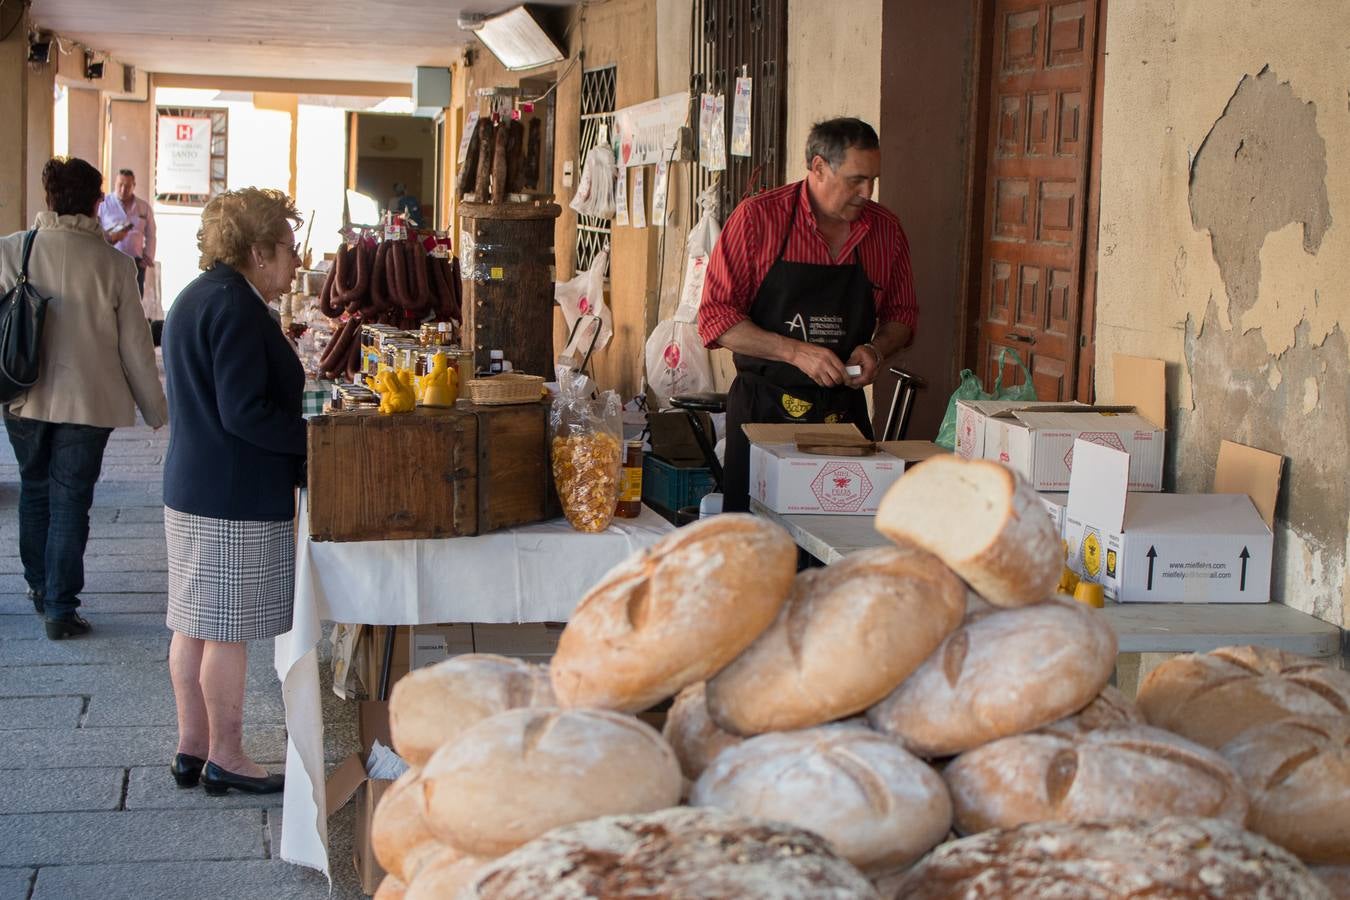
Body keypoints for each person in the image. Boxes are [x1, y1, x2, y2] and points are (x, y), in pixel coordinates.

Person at [161, 187, 306, 795]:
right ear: (258, 251)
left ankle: (191, 749)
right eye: (288, 250)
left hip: (196, 482)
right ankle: (226, 754)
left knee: (192, 624)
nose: (295, 263)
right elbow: (245, 411)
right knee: (225, 628)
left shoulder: (199, 296)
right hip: (231, 493)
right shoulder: (238, 308)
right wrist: (310, 440)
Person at [697, 117, 918, 512]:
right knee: (757, 545)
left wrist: (876, 350)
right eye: (856, 180)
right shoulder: (757, 220)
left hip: (842, 416)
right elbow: (716, 317)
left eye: (873, 180)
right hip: (763, 412)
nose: (867, 192)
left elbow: (903, 315)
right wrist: (796, 352)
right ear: (818, 167)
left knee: (839, 538)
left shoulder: (886, 231)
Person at [0, 157, 168, 639]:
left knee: (34, 490)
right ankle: (60, 606)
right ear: (97, 203)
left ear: (48, 198)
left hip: (24, 397)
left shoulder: (14, 251)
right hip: (88, 405)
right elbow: (136, 346)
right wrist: (155, 409)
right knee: (71, 501)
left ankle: (38, 588)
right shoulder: (115, 266)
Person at [98, 168, 157, 297]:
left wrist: (148, 257)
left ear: (134, 186)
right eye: (120, 185)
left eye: (127, 186)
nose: (123, 190)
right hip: (111, 260)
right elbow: (96, 230)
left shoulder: (143, 207)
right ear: (115, 184)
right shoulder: (104, 204)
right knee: (111, 296)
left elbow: (151, 234)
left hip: (135, 261)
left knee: (135, 297)